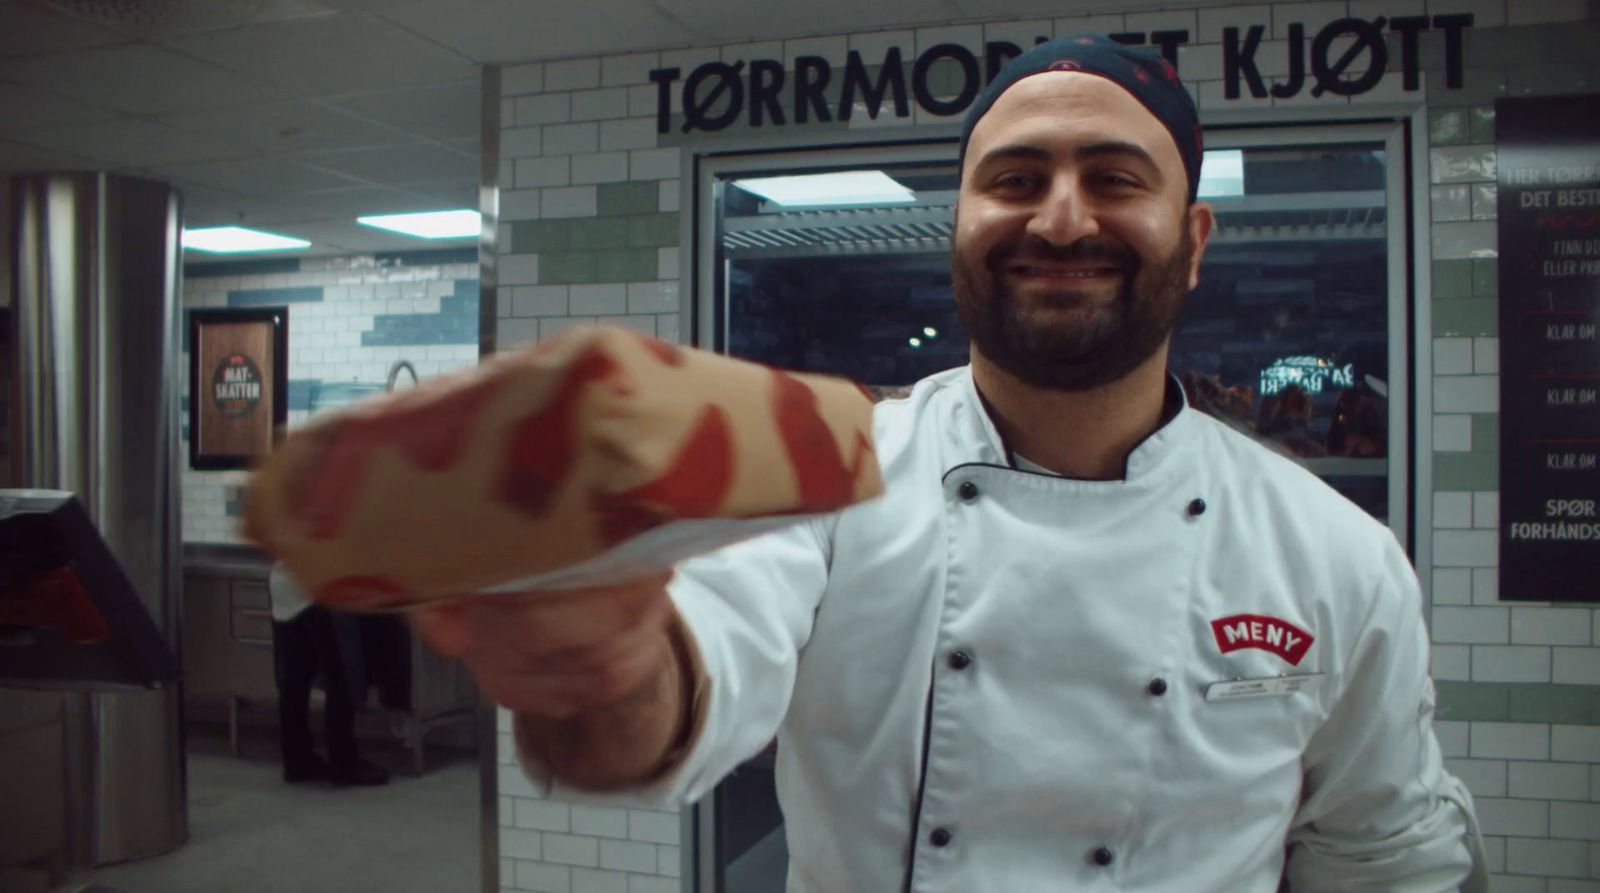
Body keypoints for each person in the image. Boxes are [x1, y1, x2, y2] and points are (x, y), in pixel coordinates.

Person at [414, 34, 1484, 892]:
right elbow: (696, 667)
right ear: (960, 228)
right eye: (1015, 179)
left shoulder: (1336, 551)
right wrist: (598, 659)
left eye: (1114, 178)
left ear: (1192, 239)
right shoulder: (828, 477)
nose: (1061, 217)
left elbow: (1384, 852)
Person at [269, 562, 390, 786]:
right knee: (342, 676)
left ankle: (297, 762)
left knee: (295, 680)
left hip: (283, 584)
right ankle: (344, 763)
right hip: (319, 588)